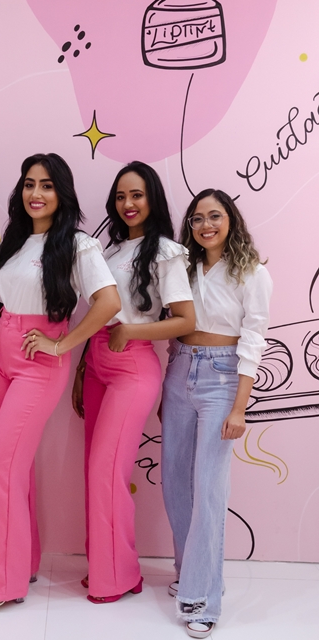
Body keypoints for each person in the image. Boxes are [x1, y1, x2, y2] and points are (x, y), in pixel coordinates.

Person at [0, 153, 121, 607]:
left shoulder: (76, 244)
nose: (36, 193)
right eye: (30, 184)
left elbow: (108, 302)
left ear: (62, 193)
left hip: (39, 361)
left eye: (47, 185)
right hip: (2, 356)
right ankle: (23, 563)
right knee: (17, 467)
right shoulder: (14, 241)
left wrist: (62, 344)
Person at [71, 161, 195, 603]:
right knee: (94, 470)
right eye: (121, 196)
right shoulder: (109, 252)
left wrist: (131, 330)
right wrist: (82, 367)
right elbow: (97, 312)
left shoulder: (166, 251)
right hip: (96, 364)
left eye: (137, 195)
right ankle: (105, 566)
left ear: (152, 199)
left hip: (133, 366)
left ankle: (119, 576)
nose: (128, 203)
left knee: (108, 472)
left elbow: (185, 319)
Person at [161, 189, 273, 638]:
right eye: (197, 219)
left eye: (214, 216)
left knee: (208, 488)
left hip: (222, 379)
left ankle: (203, 598)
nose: (205, 225)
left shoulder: (253, 272)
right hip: (179, 370)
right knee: (175, 482)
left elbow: (254, 339)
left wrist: (239, 407)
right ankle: (192, 573)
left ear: (231, 220)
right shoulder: (183, 267)